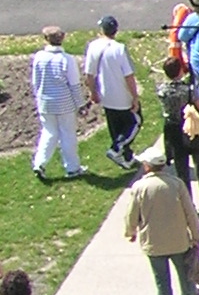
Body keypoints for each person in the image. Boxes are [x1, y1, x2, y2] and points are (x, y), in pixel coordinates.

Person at [123, 161, 199, 295]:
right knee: (185, 274)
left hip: (154, 244)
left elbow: (131, 214)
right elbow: (190, 211)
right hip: (178, 240)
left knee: (162, 284)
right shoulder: (176, 184)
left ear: (147, 166)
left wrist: (130, 231)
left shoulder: (139, 187)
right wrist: (196, 235)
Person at [83, 14, 143, 169]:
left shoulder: (93, 46)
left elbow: (89, 75)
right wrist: (134, 97)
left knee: (116, 129)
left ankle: (127, 159)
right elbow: (128, 76)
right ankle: (116, 149)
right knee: (135, 122)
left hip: (106, 96)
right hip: (123, 97)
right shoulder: (119, 49)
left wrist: (93, 92)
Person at [158, 48, 199, 203]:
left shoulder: (162, 90)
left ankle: (187, 200)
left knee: (181, 166)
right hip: (191, 125)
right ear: (180, 72)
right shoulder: (188, 89)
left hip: (172, 128)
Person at [30, 28, 85, 183]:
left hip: (45, 103)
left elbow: (35, 81)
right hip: (64, 103)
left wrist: (38, 97)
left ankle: (39, 163)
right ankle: (72, 168)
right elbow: (74, 85)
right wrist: (80, 104)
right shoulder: (67, 59)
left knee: (49, 133)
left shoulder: (39, 57)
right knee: (67, 135)